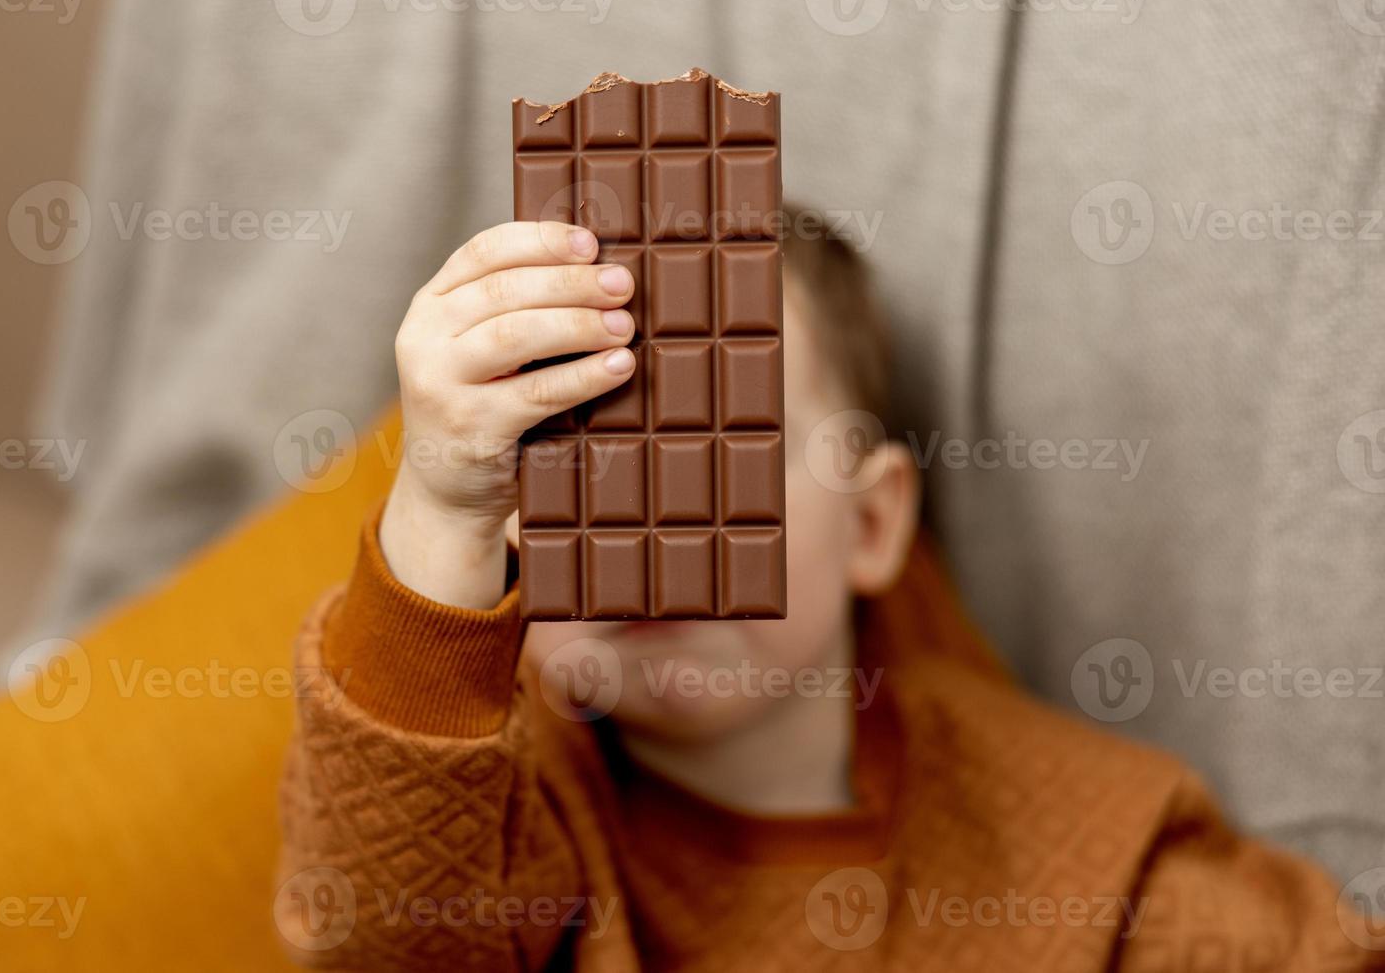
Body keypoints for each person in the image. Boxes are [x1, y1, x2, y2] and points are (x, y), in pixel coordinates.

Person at [275, 215, 1380, 970]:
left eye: (722, 448)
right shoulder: (512, 817)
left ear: (871, 521)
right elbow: (383, 929)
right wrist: (441, 505)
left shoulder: (1064, 839)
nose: (655, 520)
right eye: (580, 454)